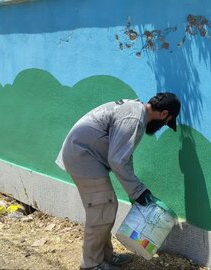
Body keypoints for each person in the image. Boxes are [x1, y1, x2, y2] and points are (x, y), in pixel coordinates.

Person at [55, 92, 181, 270]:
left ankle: (105, 256)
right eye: (166, 122)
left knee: (106, 207)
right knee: (101, 209)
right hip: (83, 156)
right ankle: (91, 264)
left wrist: (135, 192)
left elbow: (123, 156)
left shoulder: (135, 111)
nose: (162, 126)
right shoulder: (134, 119)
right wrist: (139, 191)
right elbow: (117, 160)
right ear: (163, 114)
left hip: (82, 154)